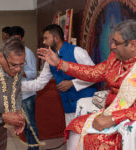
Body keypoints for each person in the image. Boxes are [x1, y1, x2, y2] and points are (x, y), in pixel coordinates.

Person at [36, 19, 136, 149]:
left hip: (128, 117)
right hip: (111, 110)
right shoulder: (115, 59)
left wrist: (113, 119)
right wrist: (60, 63)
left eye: (116, 43)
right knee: (76, 125)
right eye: (112, 41)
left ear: (133, 45)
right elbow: (93, 73)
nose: (112, 46)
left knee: (97, 139)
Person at [22, 24, 97, 126]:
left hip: (87, 104)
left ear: (56, 38)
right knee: (72, 139)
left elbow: (95, 75)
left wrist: (73, 83)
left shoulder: (77, 52)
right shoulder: (49, 59)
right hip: (68, 107)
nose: (44, 42)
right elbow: (39, 84)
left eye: (46, 38)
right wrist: (16, 85)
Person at [0, 36, 25, 150]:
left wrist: (17, 114)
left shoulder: (17, 66)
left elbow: (17, 93)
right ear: (0, 57)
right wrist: (3, 117)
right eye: (14, 65)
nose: (18, 69)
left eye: (21, 64)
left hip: (2, 130)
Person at [9, 26, 38, 150]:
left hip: (27, 95)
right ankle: (30, 147)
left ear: (22, 38)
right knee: (23, 125)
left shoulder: (27, 52)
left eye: (17, 39)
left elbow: (33, 73)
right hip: (16, 95)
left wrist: (18, 71)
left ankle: (34, 148)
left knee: (30, 124)